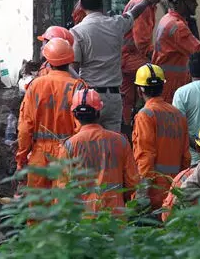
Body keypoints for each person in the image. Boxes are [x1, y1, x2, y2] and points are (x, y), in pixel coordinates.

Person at [71, 0, 163, 133]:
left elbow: (74, 68)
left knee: (88, 142)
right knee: (112, 146)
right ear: (102, 4)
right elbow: (134, 13)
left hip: (89, 98)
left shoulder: (77, 32)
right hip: (114, 97)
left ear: (81, 5)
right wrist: (148, 0)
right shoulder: (116, 24)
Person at [56, 87, 139, 215]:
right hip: (115, 216)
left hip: (83, 221)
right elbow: (132, 182)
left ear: (75, 115)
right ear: (99, 112)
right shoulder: (120, 141)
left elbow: (63, 190)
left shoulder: (70, 146)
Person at [16, 38, 85, 189]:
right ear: (70, 60)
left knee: (37, 206)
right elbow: (82, 129)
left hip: (40, 156)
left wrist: (21, 159)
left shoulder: (35, 85)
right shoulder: (78, 87)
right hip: (67, 157)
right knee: (63, 206)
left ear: (48, 60)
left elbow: (25, 127)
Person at [132, 63, 191, 212]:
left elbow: (145, 156)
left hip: (153, 195)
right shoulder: (179, 115)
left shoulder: (145, 115)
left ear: (140, 90)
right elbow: (185, 158)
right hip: (173, 192)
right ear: (162, 87)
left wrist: (141, 195)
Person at [120, 0, 171, 131]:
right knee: (156, 76)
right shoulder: (142, 5)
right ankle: (151, 123)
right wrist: (157, 57)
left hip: (125, 57)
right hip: (129, 57)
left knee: (127, 98)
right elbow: (142, 42)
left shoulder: (146, 4)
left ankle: (128, 127)